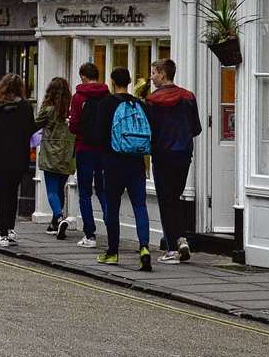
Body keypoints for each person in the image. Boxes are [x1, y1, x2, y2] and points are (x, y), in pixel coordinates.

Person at [82, 67, 153, 271]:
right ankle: (144, 248)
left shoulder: (106, 104)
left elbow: (97, 136)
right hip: (137, 162)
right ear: (129, 81)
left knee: (113, 207)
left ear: (113, 82)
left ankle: (113, 252)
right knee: (140, 206)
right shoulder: (139, 104)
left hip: (113, 163)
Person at [145, 58, 201, 263]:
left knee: (166, 200)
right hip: (183, 154)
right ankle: (180, 239)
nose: (151, 77)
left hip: (161, 154)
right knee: (175, 197)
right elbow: (196, 128)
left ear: (162, 73)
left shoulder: (151, 101)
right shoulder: (188, 97)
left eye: (153, 73)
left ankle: (173, 246)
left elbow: (148, 129)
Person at [0, 75, 36, 247]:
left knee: (2, 195)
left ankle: (3, 234)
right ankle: (11, 229)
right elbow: (30, 130)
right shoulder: (25, 107)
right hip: (18, 157)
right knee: (13, 193)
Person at [67, 61, 109, 249]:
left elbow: (74, 126)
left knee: (84, 192)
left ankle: (90, 235)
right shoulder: (107, 95)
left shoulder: (78, 98)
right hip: (103, 149)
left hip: (84, 148)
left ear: (83, 76)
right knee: (103, 190)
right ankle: (111, 227)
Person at [35, 77, 76, 238]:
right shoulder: (71, 110)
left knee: (52, 190)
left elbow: (35, 124)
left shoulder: (48, 110)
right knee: (60, 189)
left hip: (51, 154)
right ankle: (54, 224)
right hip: (67, 154)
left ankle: (59, 218)